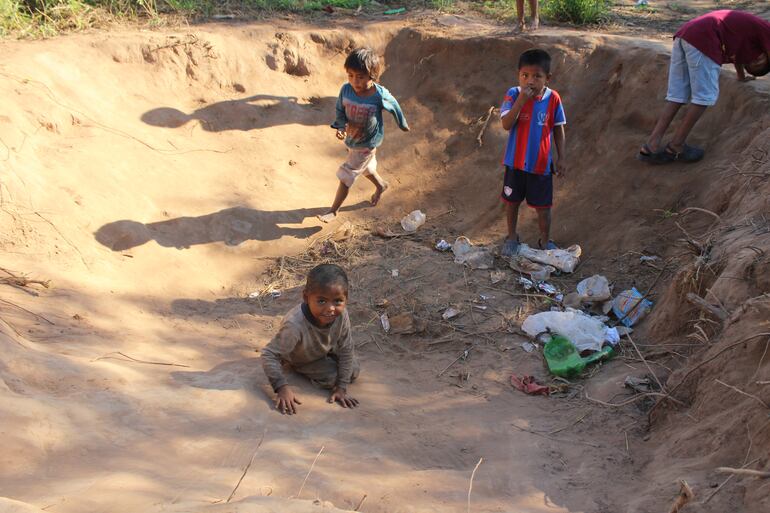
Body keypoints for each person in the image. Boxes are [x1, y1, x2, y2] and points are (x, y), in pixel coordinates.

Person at [638, 10, 770, 164]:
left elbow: (738, 57)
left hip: (686, 34)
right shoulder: (766, 30)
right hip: (704, 38)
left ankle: (651, 146)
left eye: (754, 64)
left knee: (678, 95)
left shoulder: (747, 45)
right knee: (704, 97)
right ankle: (676, 145)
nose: (757, 60)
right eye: (760, 61)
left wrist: (741, 77)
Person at [317, 48, 410, 223]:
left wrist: (402, 123)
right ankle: (381, 186)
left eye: (360, 76)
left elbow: (394, 104)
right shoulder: (346, 90)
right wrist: (340, 126)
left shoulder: (378, 95)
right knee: (366, 168)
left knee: (347, 175)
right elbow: (340, 109)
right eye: (350, 75)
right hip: (352, 140)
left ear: (372, 75)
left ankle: (333, 210)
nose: (354, 81)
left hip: (367, 144)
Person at [261, 264, 359, 415]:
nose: (330, 308)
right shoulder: (295, 325)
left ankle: (330, 362)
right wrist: (281, 387)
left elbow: (346, 349)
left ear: (346, 298)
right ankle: (298, 367)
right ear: (306, 297)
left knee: (353, 370)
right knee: (333, 377)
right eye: (321, 301)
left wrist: (341, 388)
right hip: (303, 357)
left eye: (337, 301)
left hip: (325, 349)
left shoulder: (342, 315)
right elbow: (268, 354)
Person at [499, 49, 567, 257]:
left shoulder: (553, 99)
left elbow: (558, 128)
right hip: (515, 163)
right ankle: (512, 237)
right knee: (511, 202)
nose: (530, 81)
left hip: (540, 164)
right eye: (525, 76)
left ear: (548, 78)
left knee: (543, 207)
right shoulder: (512, 94)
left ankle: (545, 240)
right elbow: (506, 124)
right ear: (518, 75)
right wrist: (521, 101)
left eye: (537, 76)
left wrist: (562, 157)